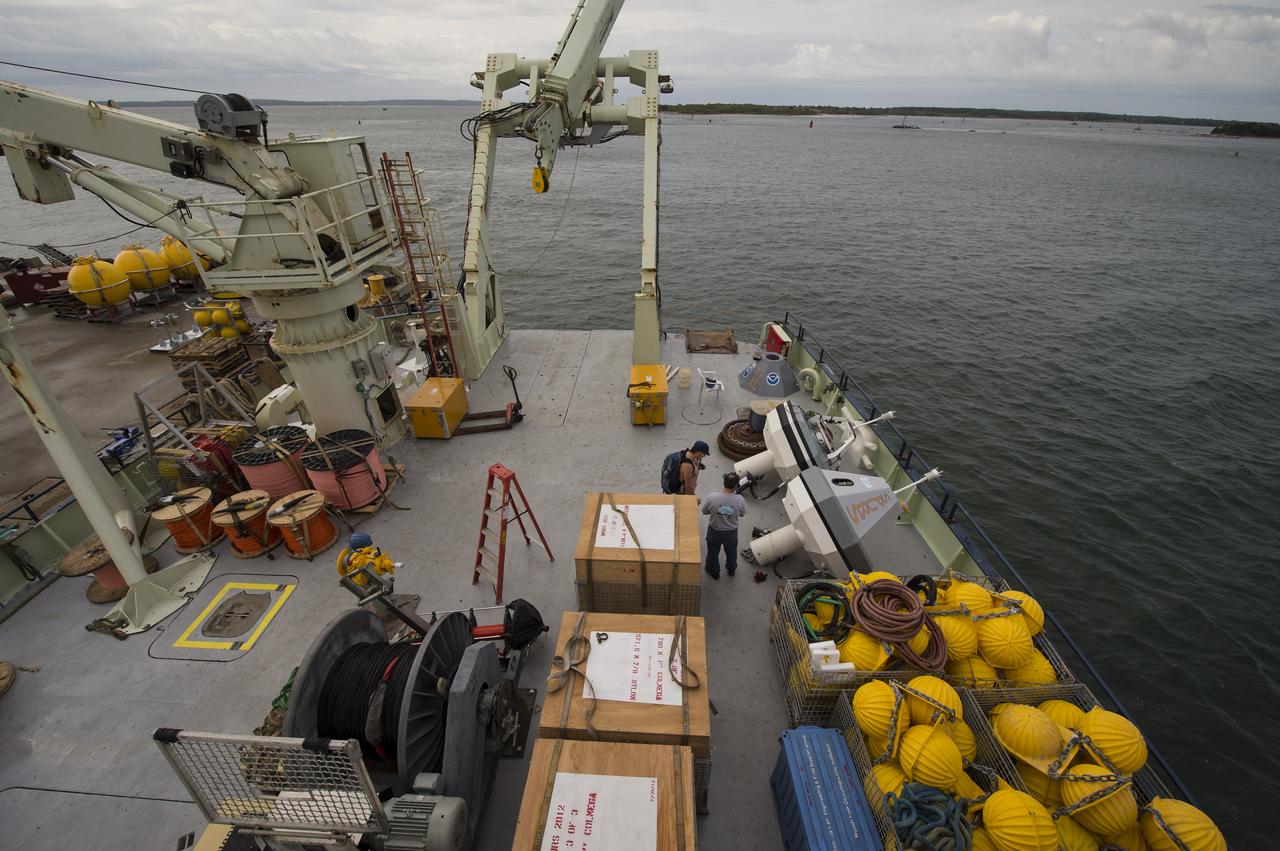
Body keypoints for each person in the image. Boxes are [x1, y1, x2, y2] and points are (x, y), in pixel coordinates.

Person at [702, 472, 748, 579]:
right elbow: (742, 513)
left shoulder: (712, 497)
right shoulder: (740, 499)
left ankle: (714, 571)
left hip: (714, 530)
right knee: (731, 551)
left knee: (713, 552)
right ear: (736, 486)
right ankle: (731, 568)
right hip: (731, 532)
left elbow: (704, 511)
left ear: (724, 482)